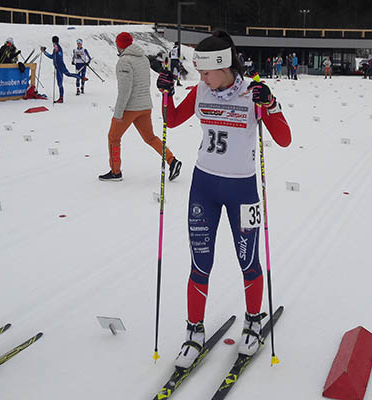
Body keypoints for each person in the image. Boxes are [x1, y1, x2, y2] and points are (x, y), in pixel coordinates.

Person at [155, 30, 291, 368]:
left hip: (243, 191)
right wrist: (165, 93)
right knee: (200, 263)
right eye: (198, 72)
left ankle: (253, 320)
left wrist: (270, 105)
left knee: (249, 261)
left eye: (205, 72)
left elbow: (285, 139)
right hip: (203, 187)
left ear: (224, 66)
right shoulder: (202, 90)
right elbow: (171, 119)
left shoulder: (253, 93)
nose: (200, 78)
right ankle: (194, 331)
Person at [98, 32, 181, 182]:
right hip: (145, 106)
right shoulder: (143, 58)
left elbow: (125, 89)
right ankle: (172, 160)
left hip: (130, 107)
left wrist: (118, 112)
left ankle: (115, 171)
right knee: (150, 138)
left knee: (113, 137)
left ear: (120, 45)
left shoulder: (124, 61)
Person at [41, 36, 84, 103]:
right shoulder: (56, 48)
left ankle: (81, 77)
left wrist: (55, 48)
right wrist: (44, 52)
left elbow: (58, 54)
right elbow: (52, 57)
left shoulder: (57, 47)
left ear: (53, 41)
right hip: (58, 67)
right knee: (60, 82)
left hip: (60, 67)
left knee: (66, 76)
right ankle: (61, 98)